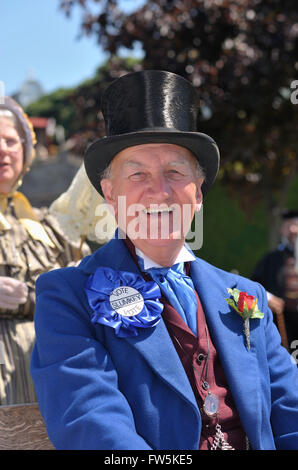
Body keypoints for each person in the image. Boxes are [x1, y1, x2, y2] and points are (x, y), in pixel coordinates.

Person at [31, 70, 298, 451]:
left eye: (175, 172)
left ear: (199, 192)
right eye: (137, 173)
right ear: (110, 193)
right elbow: (91, 424)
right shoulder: (65, 297)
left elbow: (289, 413)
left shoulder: (247, 294)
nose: (159, 192)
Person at [0, 96, 90, 405]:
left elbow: (89, 289)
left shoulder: (51, 226)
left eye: (11, 141)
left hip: (53, 394)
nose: (3, 150)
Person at [252, 210, 298, 351]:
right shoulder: (270, 260)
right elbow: (253, 286)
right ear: (281, 230)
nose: (293, 230)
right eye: (288, 225)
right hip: (282, 324)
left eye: (296, 225)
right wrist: (269, 298)